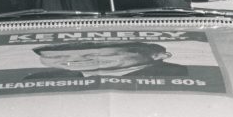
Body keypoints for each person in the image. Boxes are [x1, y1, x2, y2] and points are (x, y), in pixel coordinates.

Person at [28, 41, 190, 79]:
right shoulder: (38, 79)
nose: (75, 60)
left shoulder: (174, 74)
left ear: (158, 55)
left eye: (94, 54)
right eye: (57, 56)